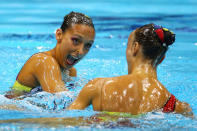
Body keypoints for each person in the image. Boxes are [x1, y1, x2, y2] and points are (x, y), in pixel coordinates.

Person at [68, 23, 193, 116]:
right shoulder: (176, 106)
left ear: (135, 47)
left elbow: (64, 121)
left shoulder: (98, 87)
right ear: (162, 59)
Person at [5, 11, 95, 99]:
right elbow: (62, 103)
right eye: (75, 40)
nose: (81, 51)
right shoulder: (44, 62)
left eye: (88, 45)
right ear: (59, 35)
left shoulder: (70, 72)